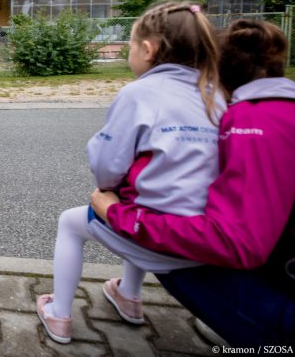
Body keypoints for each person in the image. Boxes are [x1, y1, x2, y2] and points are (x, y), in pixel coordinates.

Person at [90, 19, 295, 347]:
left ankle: (253, 333)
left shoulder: (251, 121)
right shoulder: (280, 109)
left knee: (165, 246)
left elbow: (238, 243)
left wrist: (122, 216)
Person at [35, 0, 226, 344]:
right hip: (203, 234)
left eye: (132, 45)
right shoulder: (216, 94)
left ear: (149, 50)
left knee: (72, 221)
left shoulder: (140, 94)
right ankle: (129, 295)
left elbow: (108, 163)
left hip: (155, 235)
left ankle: (59, 313)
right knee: (140, 197)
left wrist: (106, 191)